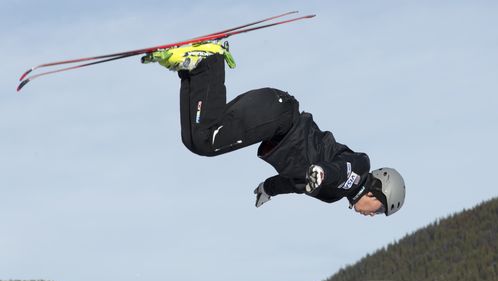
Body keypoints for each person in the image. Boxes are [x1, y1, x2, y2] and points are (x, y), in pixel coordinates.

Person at [141, 41, 406, 216]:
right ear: (378, 191)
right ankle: (210, 59)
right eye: (380, 210)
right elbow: (340, 171)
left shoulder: (332, 197)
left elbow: (295, 183)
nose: (372, 215)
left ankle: (189, 68)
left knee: (196, 140)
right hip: (280, 118)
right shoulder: (359, 169)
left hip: (274, 120)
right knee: (207, 141)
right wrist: (323, 172)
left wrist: (269, 188)